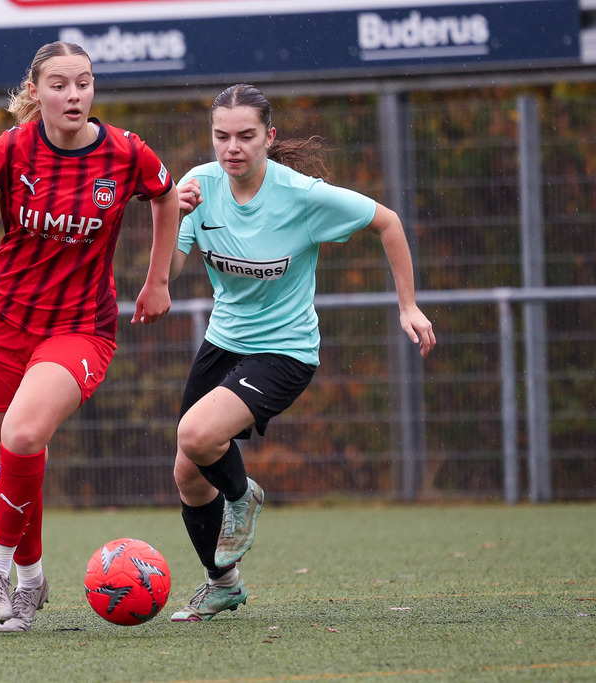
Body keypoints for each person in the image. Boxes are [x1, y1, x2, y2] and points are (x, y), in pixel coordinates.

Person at [0, 41, 180, 633]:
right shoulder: (14, 148)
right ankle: (31, 581)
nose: (74, 95)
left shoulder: (126, 152)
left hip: (80, 327)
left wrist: (157, 281)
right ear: (36, 92)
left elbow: (165, 197)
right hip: (2, 324)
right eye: (59, 85)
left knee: (25, 433)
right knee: (12, 461)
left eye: (84, 83)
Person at [168, 83, 436, 622]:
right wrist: (169, 216)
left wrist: (408, 305)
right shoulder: (197, 186)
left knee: (196, 435)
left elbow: (388, 222)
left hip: (284, 351)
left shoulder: (302, 196)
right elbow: (170, 269)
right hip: (223, 342)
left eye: (246, 136)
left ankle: (244, 497)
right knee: (188, 473)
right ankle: (223, 584)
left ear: (269, 137)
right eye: (222, 136)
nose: (232, 148)